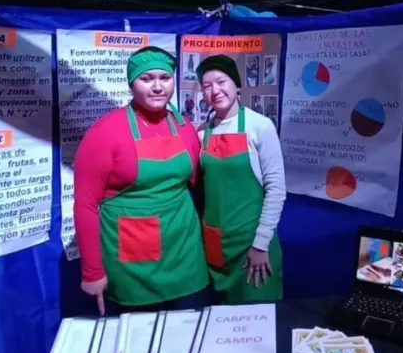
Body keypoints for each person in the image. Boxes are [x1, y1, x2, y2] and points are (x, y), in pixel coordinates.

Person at [73, 46, 208, 314]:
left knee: (188, 334)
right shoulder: (105, 132)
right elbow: (85, 205)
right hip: (133, 263)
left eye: (165, 78)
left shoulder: (185, 128)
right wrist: (92, 271)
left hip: (185, 252)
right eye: (146, 79)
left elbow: (195, 184)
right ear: (131, 84)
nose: (157, 87)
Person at [196, 54, 287, 303]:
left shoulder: (260, 126)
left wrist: (260, 244)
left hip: (253, 244)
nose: (215, 91)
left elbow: (276, 189)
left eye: (221, 82)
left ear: (236, 85)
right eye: (207, 86)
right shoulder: (202, 133)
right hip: (216, 245)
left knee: (256, 317)